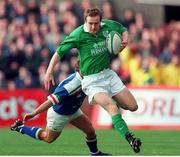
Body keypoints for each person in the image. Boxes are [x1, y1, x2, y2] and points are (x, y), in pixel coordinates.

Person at [44, 7, 142, 153]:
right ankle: (130, 138)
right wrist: (49, 71)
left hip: (108, 75)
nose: (93, 27)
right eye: (90, 23)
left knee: (133, 106)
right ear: (85, 21)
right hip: (92, 81)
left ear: (100, 21)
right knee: (112, 108)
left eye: (96, 23)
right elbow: (59, 52)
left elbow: (122, 29)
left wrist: (125, 40)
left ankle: (117, 112)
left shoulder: (107, 25)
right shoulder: (78, 34)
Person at [10, 72, 110, 156]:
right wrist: (34, 113)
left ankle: (95, 153)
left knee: (90, 131)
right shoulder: (72, 84)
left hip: (74, 111)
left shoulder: (88, 78)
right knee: (48, 138)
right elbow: (51, 101)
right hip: (59, 114)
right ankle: (20, 127)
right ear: (81, 68)